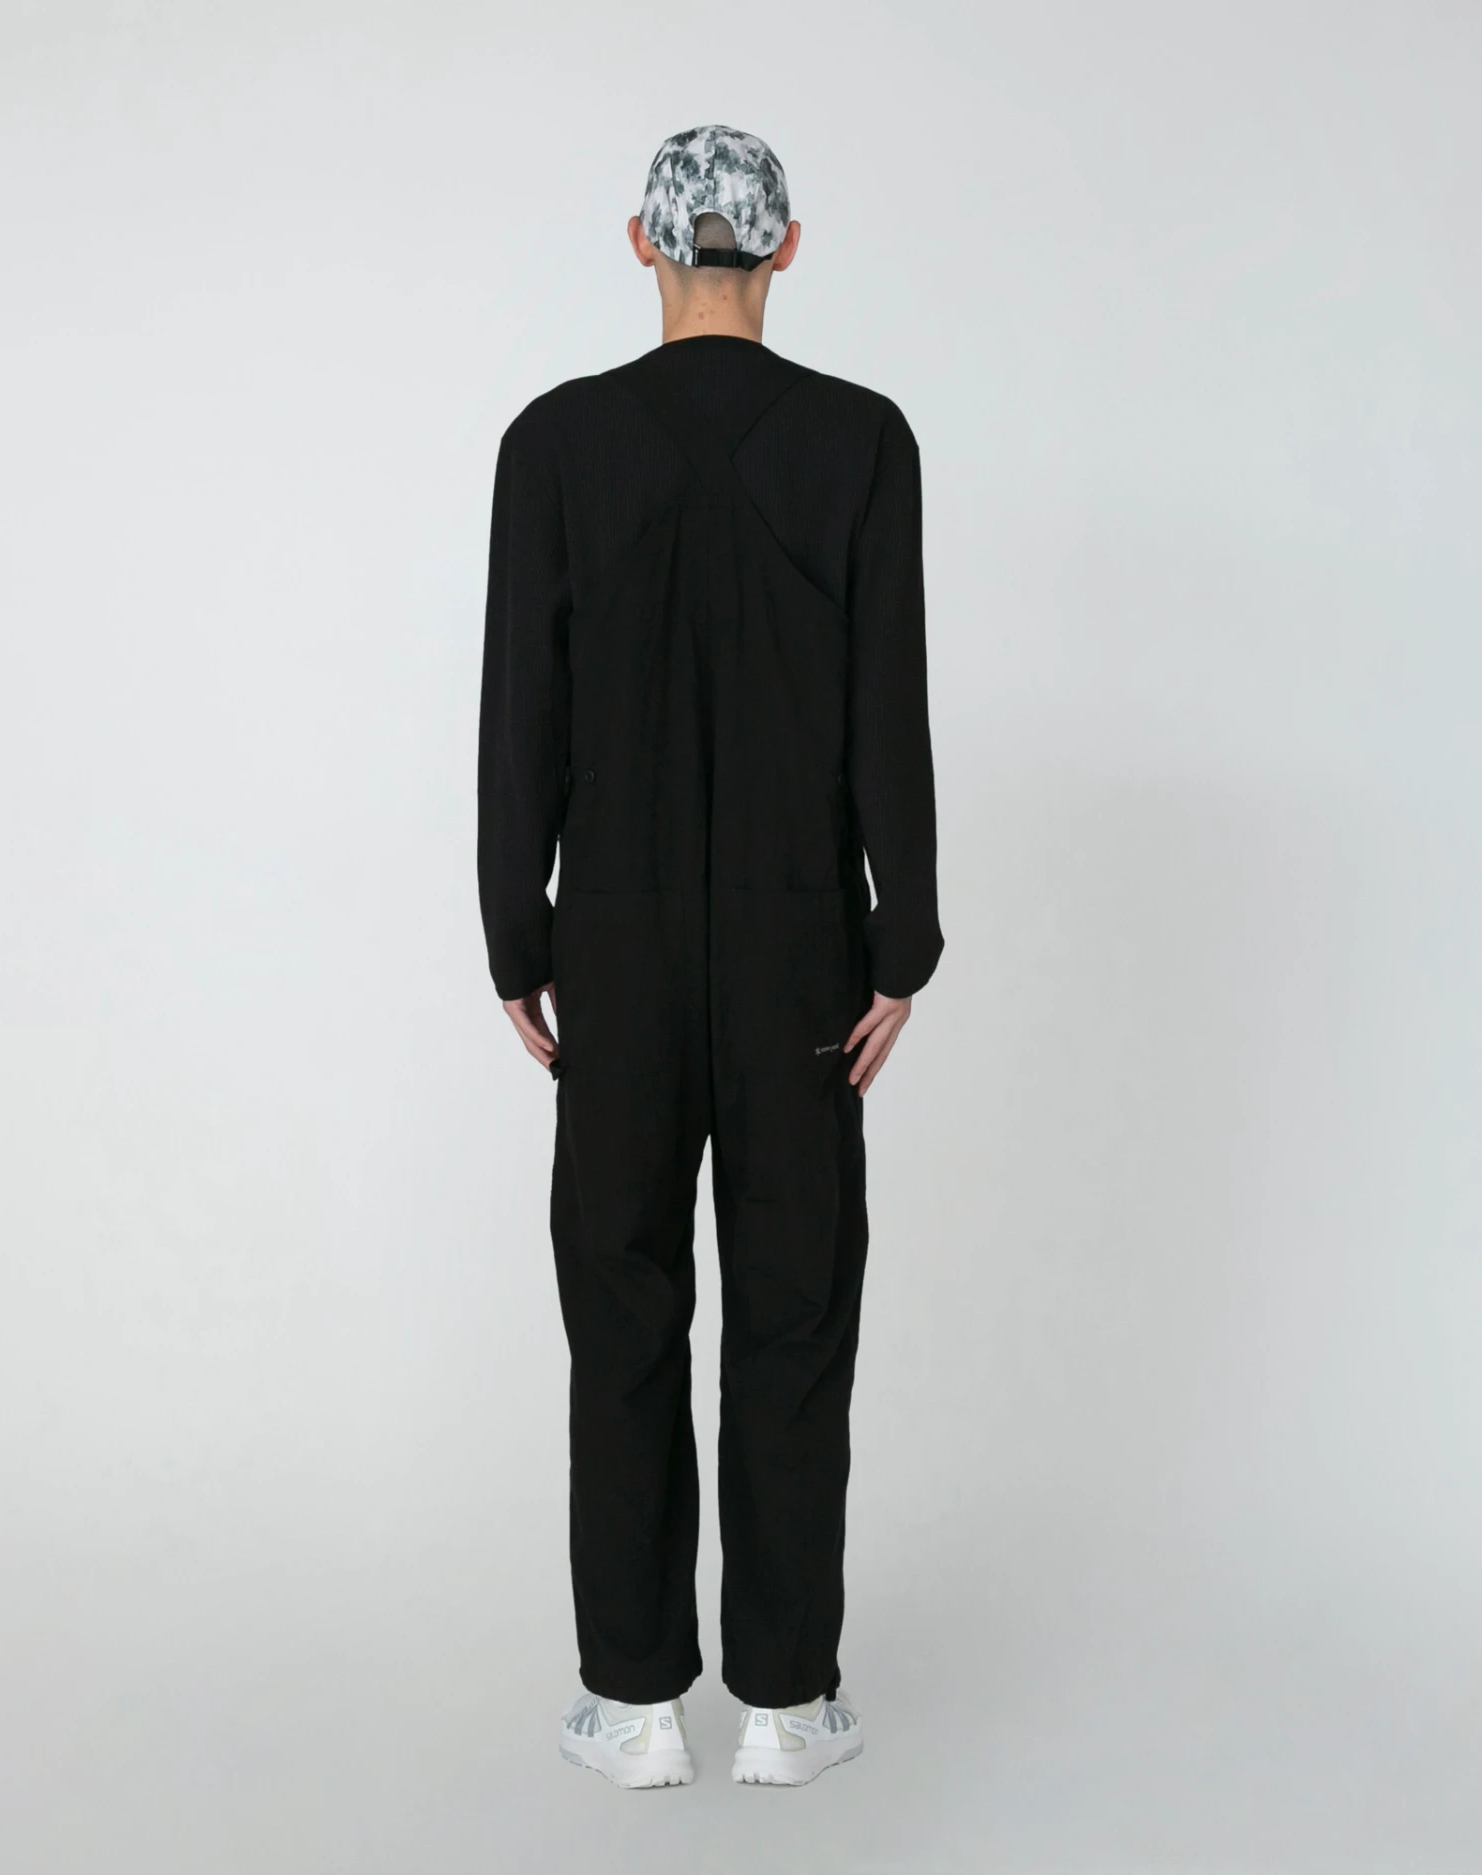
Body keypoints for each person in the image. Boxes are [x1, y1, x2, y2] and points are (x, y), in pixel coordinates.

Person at [476, 124, 943, 1789]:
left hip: (608, 943)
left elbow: (520, 709)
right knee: (794, 1309)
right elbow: (887, 697)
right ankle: (789, 1703)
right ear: (787, 247)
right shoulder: (861, 440)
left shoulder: (554, 443)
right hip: (800, 946)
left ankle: (630, 1702)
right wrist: (902, 939)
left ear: (644, 243)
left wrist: (515, 933)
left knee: (621, 1304)